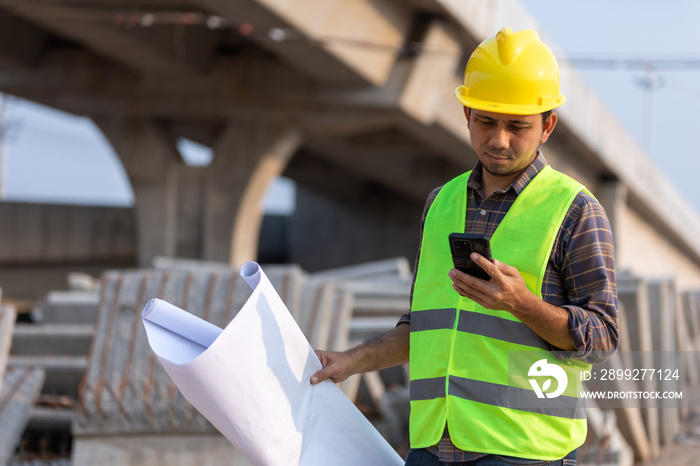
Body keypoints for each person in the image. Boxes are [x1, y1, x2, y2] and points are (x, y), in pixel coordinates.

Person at [311, 26, 618, 465]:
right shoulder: (441, 203)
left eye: (518, 126)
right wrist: (351, 361)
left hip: (522, 451)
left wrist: (522, 303)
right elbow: (427, 325)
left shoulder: (575, 211)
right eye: (486, 121)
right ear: (466, 113)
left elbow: (603, 336)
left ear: (548, 125)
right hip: (433, 446)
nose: (499, 140)